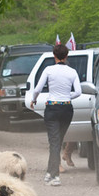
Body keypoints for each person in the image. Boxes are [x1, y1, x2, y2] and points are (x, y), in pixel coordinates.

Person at [30, 44, 81, 186]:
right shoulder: (72, 72)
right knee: (57, 140)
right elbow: (78, 92)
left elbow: (38, 89)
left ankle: (55, 176)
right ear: (66, 56)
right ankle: (49, 172)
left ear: (54, 56)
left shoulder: (49, 70)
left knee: (54, 141)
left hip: (52, 108)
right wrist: (67, 95)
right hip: (67, 109)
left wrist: (34, 100)